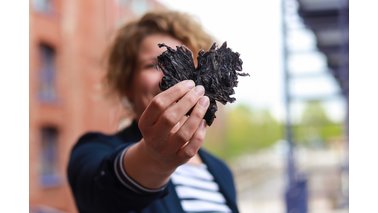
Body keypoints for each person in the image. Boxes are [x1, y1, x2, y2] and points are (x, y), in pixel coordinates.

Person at [67, 10, 239, 213]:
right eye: (154, 64)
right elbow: (99, 195)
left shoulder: (221, 171)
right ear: (126, 85)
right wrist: (154, 159)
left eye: (185, 63)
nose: (171, 77)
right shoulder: (92, 150)